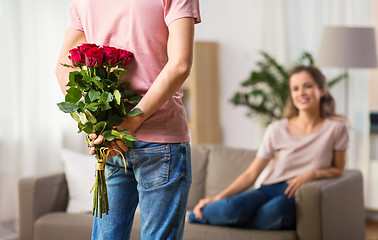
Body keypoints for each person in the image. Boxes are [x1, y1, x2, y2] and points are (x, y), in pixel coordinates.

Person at [56, 0, 201, 239]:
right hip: (160, 139)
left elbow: (63, 67)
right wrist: (130, 124)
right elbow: (180, 64)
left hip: (112, 142)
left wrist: (97, 124)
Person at [187, 65, 349, 230]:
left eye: (308, 86)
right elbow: (252, 173)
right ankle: (193, 216)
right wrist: (217, 198)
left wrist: (312, 174)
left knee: (277, 210)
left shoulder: (336, 127)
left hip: (298, 195)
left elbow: (338, 169)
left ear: (321, 90)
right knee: (232, 207)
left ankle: (224, 219)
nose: (301, 93)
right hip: (269, 189)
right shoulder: (277, 129)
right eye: (295, 89)